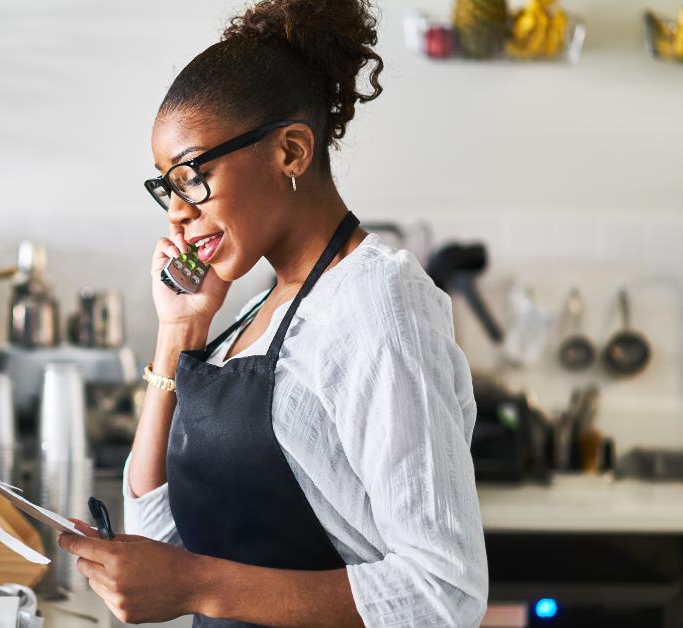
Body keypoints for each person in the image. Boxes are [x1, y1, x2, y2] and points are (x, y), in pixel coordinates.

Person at [58, 1, 488, 625]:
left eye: (191, 177)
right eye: (166, 187)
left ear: (290, 151)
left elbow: (444, 593)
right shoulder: (260, 307)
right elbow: (161, 532)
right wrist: (181, 329)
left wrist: (197, 586)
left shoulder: (378, 304)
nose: (176, 211)